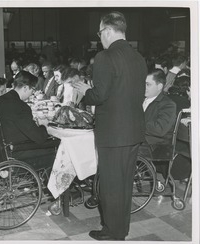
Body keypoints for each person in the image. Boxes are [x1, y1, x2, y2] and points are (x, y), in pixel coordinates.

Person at [73, 11, 147, 241]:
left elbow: (99, 95)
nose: (99, 38)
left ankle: (113, 233)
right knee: (124, 185)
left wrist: (85, 91)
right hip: (134, 130)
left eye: (99, 32)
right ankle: (121, 229)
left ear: (107, 31)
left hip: (113, 134)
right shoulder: (139, 58)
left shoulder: (105, 57)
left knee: (111, 186)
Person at [0, 70, 56, 169]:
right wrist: (44, 126)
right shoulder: (21, 106)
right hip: (17, 152)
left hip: (1, 150)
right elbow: (39, 138)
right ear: (25, 88)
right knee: (56, 145)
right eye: (32, 90)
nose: (32, 93)